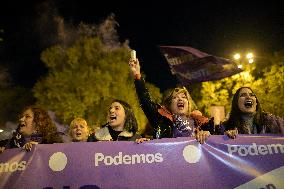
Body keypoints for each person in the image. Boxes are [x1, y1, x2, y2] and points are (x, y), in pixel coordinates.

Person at [129, 56, 212, 144]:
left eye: (184, 97)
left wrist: (208, 134)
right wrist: (137, 75)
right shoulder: (161, 120)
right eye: (175, 98)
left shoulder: (201, 123)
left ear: (189, 104)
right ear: (170, 105)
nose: (180, 99)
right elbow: (145, 101)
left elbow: (218, 143)